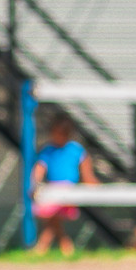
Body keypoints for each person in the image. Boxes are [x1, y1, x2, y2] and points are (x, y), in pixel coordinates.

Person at [31, 109, 94, 256]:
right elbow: (39, 169)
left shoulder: (76, 150)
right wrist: (36, 183)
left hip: (68, 190)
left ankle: (43, 248)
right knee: (53, 219)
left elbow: (87, 174)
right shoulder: (48, 151)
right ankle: (65, 248)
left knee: (54, 219)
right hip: (52, 190)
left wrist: (94, 188)